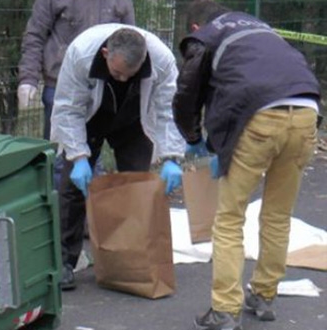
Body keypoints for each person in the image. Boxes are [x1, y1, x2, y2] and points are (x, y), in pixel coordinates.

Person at [173, 2, 321, 330]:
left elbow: (188, 93)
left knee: (228, 218)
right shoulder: (259, 29)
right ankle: (265, 295)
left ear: (195, 28)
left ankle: (225, 310)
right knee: (277, 216)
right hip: (307, 110)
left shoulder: (207, 36)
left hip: (259, 117)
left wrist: (194, 139)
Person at [51, 24, 186, 290]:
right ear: (105, 54)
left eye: (130, 74)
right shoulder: (81, 52)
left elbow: (168, 109)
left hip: (134, 118)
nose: (122, 79)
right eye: (117, 73)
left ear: (144, 59)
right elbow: (68, 108)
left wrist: (172, 156)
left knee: (136, 186)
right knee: (71, 189)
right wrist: (78, 156)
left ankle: (131, 260)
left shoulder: (161, 60)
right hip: (91, 116)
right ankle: (66, 261)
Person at [17, 0, 135, 140]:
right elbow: (35, 35)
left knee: (91, 148)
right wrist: (28, 78)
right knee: (58, 149)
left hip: (101, 86)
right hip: (59, 85)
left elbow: (130, 41)